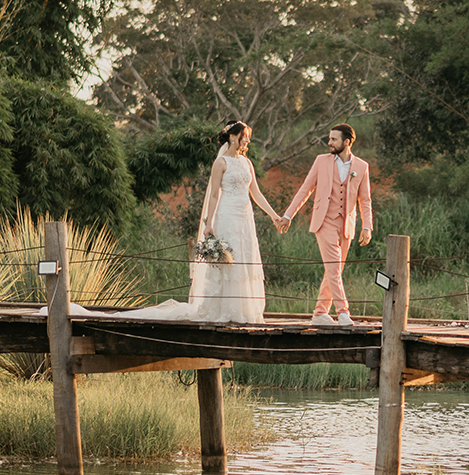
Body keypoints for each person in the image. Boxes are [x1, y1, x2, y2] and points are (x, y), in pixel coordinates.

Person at [126, 121, 284, 324]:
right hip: (226, 216)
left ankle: (245, 311)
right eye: (245, 135)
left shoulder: (247, 163)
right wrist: (209, 224)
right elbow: (214, 195)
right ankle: (225, 311)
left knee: (245, 259)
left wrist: (274, 216)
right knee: (228, 262)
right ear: (233, 137)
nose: (248, 140)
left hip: (245, 219)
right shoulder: (221, 163)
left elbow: (256, 193)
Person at [281, 123, 373, 326]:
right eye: (329, 138)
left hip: (346, 224)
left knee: (335, 271)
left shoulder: (361, 167)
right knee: (333, 267)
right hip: (324, 222)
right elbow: (305, 190)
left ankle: (320, 313)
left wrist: (367, 226)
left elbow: (365, 200)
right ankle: (343, 312)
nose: (329, 142)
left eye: (333, 139)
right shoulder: (321, 161)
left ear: (347, 141)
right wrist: (288, 216)